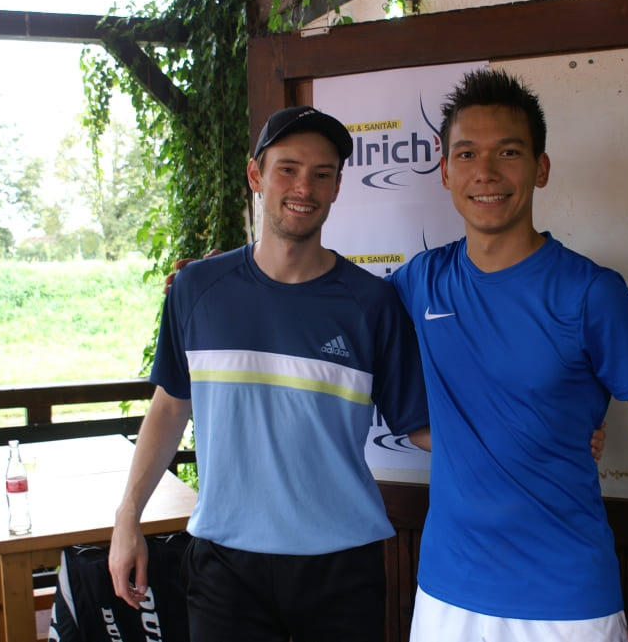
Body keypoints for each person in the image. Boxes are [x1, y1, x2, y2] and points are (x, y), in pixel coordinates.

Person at [386, 68, 628, 642]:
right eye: (466, 153)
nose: (487, 173)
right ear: (445, 171)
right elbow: (326, 307)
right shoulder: (422, 282)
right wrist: (230, 270)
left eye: (509, 152)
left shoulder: (591, 294)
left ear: (541, 168)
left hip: (566, 605)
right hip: (446, 596)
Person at [108, 105, 432, 642]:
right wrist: (127, 519)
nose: (304, 186)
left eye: (321, 173)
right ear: (256, 175)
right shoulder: (197, 290)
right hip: (225, 568)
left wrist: (543, 438)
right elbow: (169, 407)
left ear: (336, 188)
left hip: (342, 566)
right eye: (288, 168)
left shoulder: (372, 303)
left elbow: (421, 428)